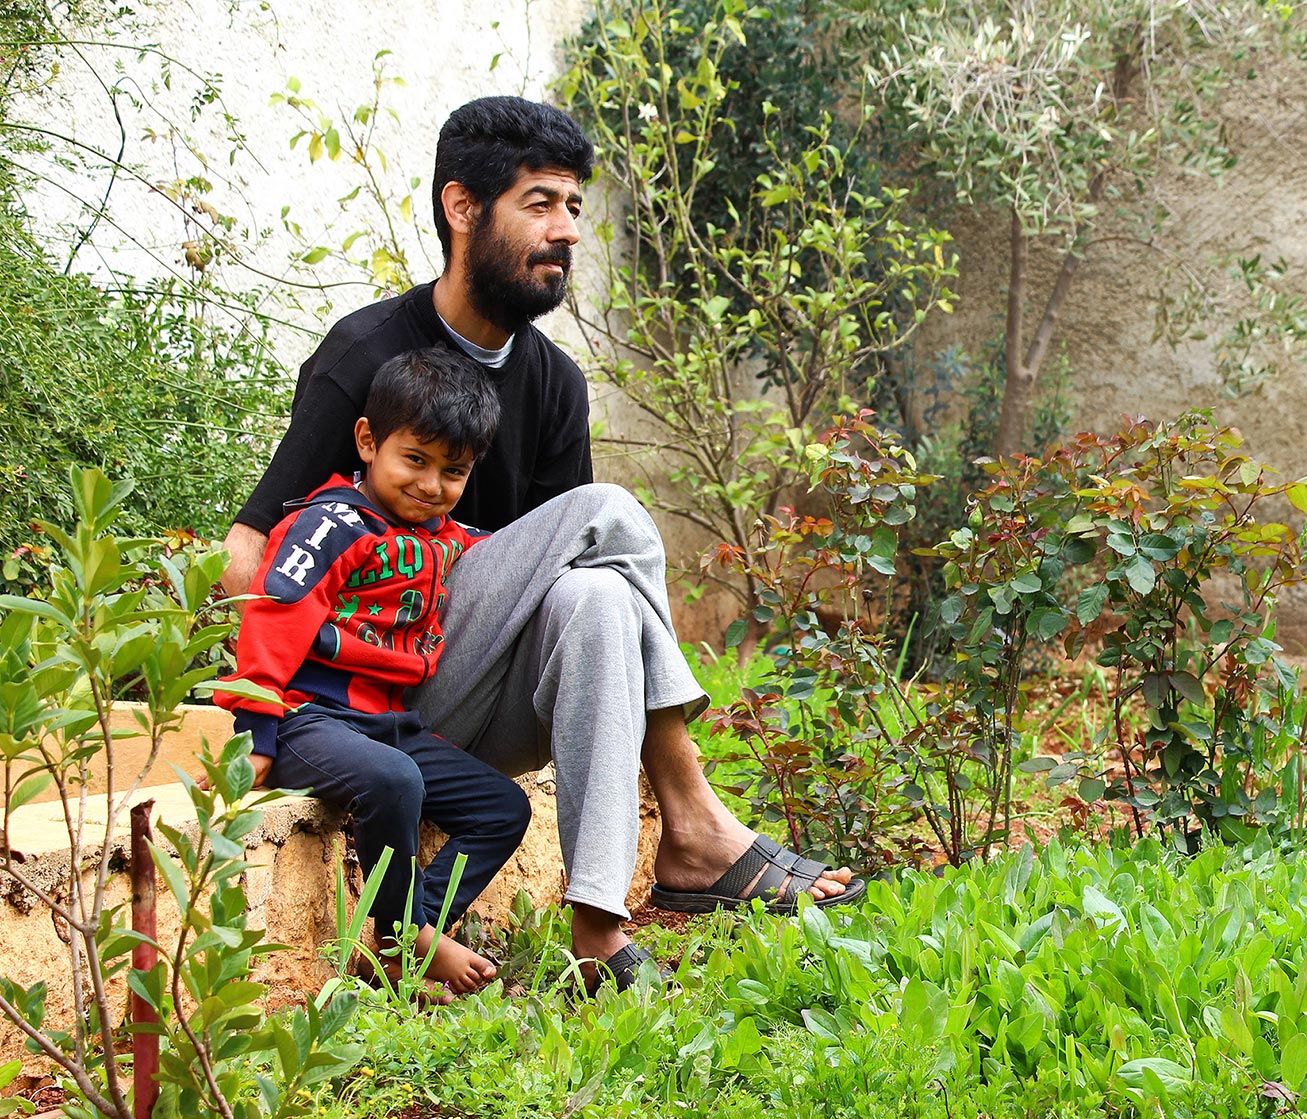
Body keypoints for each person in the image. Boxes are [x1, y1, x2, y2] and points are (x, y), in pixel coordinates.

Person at [221, 96, 862, 991]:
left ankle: (597, 925)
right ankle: (691, 813)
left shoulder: (555, 382)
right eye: (540, 203)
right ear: (461, 207)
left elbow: (569, 593)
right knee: (611, 515)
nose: (566, 230)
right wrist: (272, 714)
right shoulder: (365, 353)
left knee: (598, 592)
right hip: (366, 702)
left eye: (573, 207)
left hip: (476, 699)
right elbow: (251, 552)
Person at [216, 348, 530, 998]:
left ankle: (405, 936)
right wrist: (256, 735)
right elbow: (274, 619)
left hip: (389, 723)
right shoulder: (329, 524)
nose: (431, 484)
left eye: (453, 470)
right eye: (414, 459)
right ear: (367, 441)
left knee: (502, 807)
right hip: (308, 718)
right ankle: (402, 935)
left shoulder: (449, 537)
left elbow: (510, 557)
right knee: (393, 779)